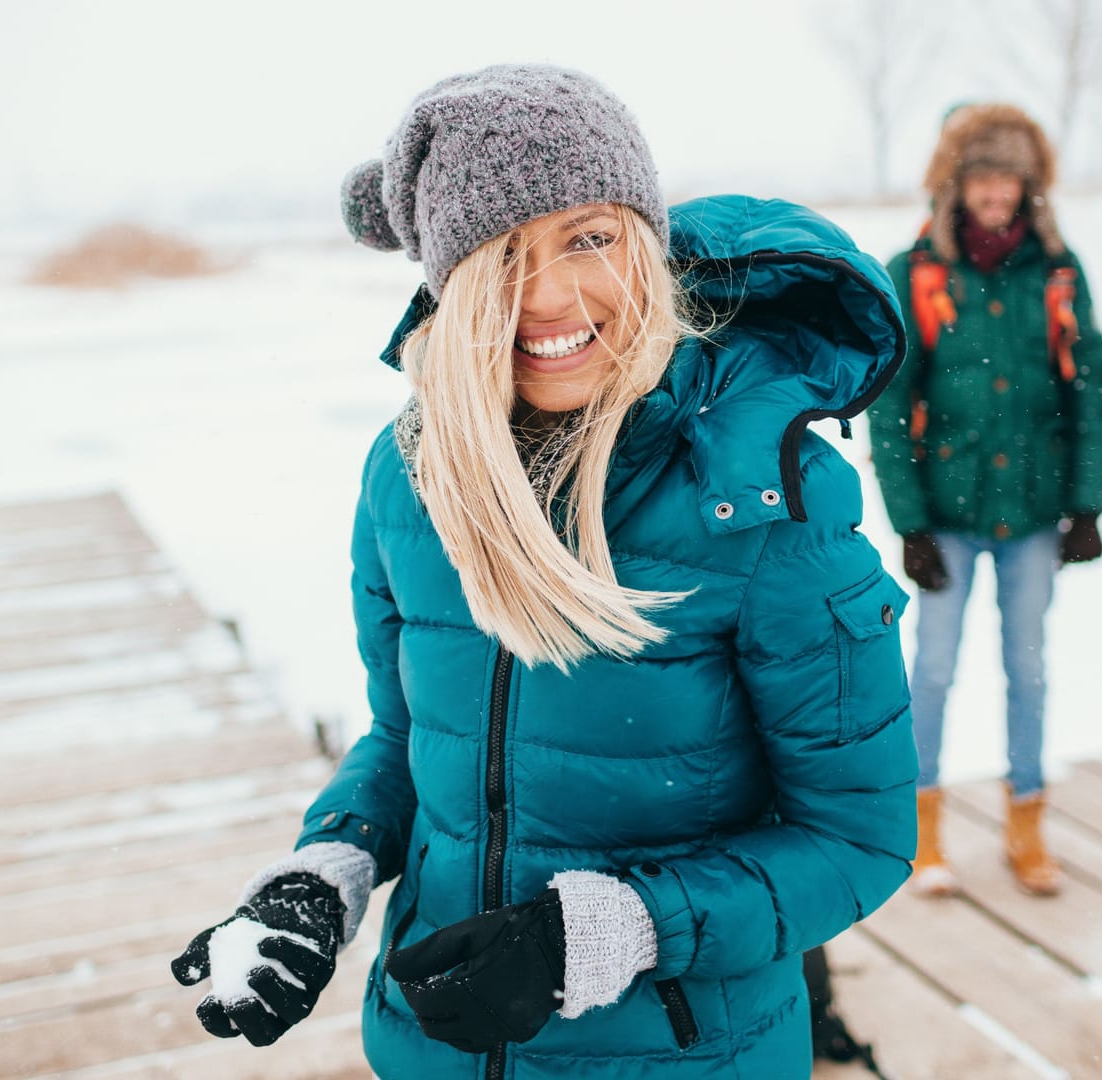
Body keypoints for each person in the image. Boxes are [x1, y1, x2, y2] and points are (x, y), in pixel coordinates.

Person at [167, 65, 917, 1078]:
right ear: (449, 282)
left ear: (645, 245)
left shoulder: (761, 498)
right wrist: (325, 873)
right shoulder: (408, 477)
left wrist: (611, 933)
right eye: (501, 255)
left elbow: (855, 838)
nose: (552, 294)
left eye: (589, 237)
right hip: (430, 1047)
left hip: (681, 1058)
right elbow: (408, 739)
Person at [869, 104, 1102, 898]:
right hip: (948, 514)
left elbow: (1090, 390)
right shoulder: (917, 274)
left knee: (1029, 671)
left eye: (1009, 178)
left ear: (1029, 186)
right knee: (932, 672)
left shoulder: (1059, 271)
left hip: (1035, 515)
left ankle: (1027, 825)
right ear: (956, 186)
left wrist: (1088, 505)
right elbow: (888, 400)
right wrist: (909, 524)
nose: (996, 194)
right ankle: (923, 830)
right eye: (981, 177)